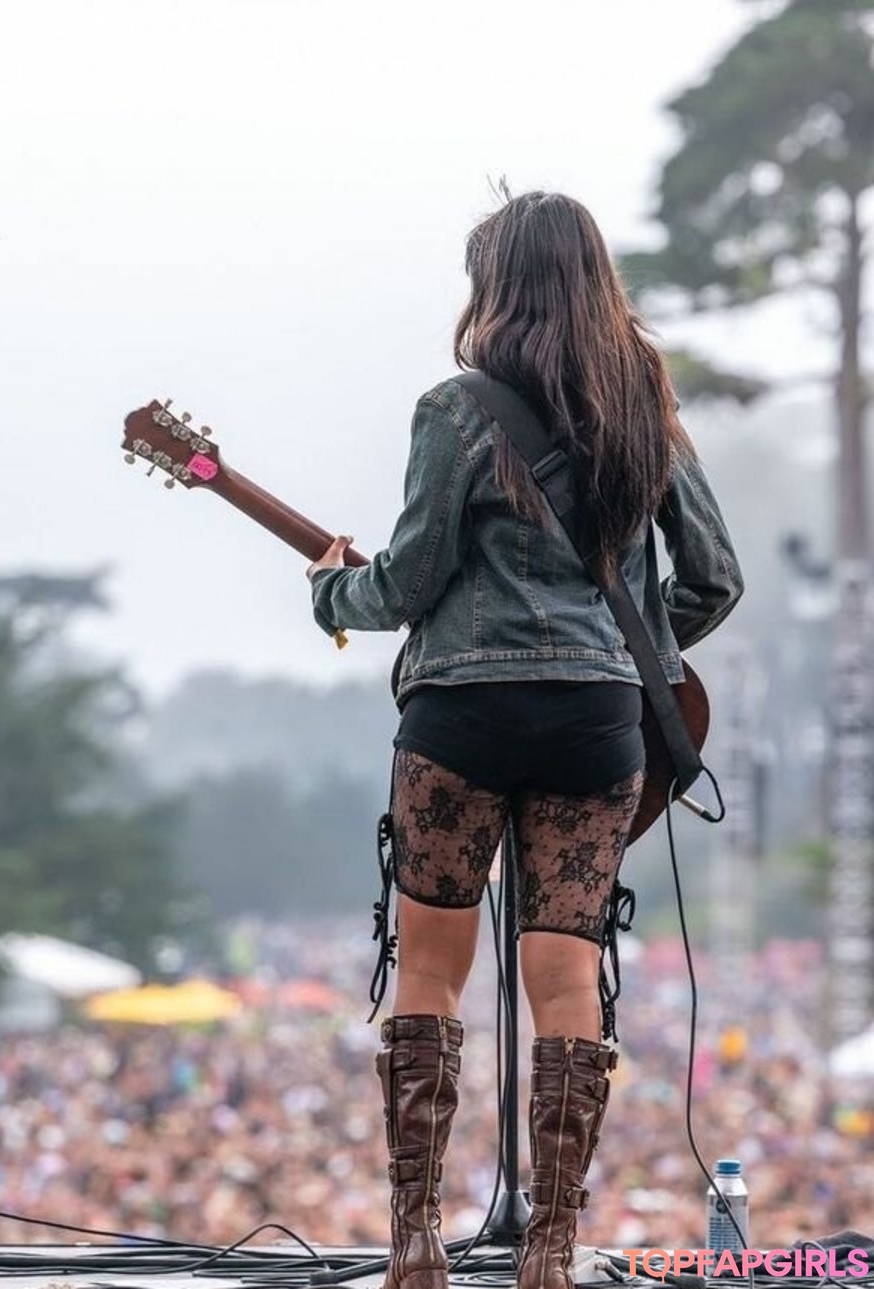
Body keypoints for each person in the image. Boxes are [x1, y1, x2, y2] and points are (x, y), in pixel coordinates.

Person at [304, 188, 743, 1289]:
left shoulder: (455, 409)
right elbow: (715, 578)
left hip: (462, 716)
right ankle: (550, 1246)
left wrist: (330, 591)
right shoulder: (643, 407)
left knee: (429, 969)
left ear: (495, 286)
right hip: (595, 723)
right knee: (566, 976)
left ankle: (416, 1242)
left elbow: (407, 581)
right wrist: (629, 646)